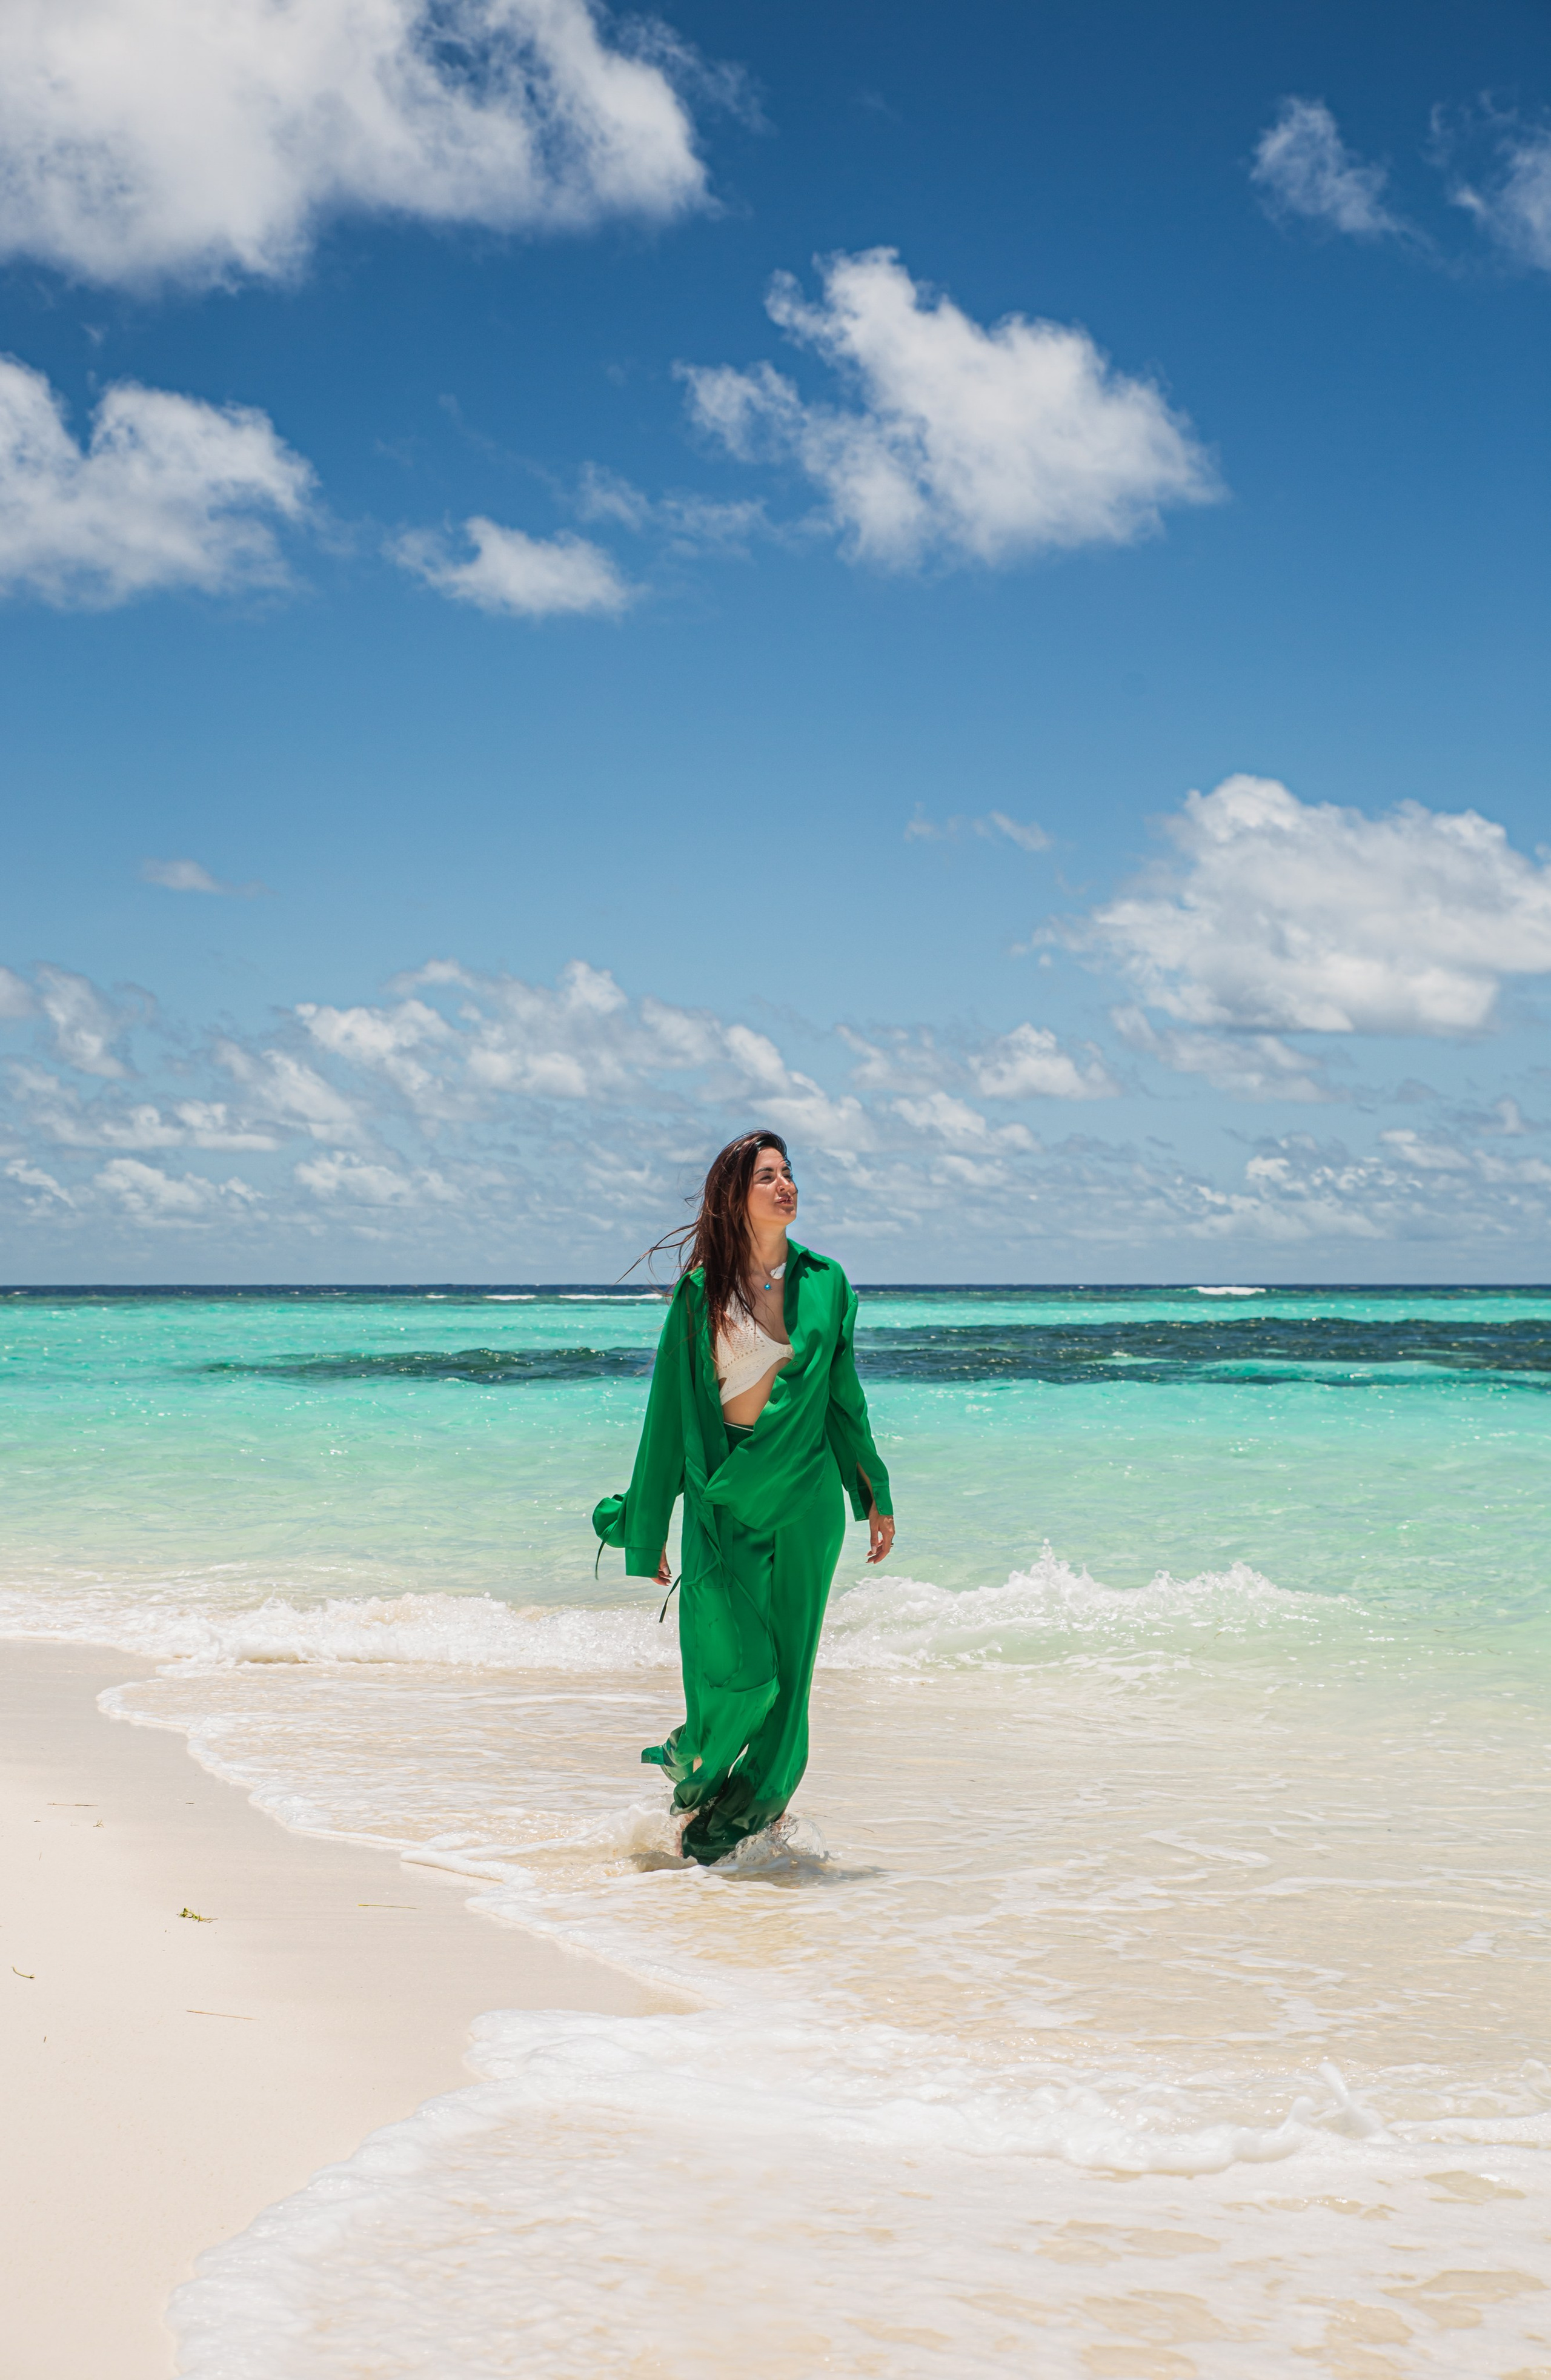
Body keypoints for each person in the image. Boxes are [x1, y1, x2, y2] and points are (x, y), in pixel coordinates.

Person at [593, 1131, 895, 1866]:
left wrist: (874, 1490)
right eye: (768, 1176)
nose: (786, 1185)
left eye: (789, 1174)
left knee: (790, 1681)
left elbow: (843, 1397)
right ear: (735, 1194)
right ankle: (694, 1759)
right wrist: (648, 1519)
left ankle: (726, 1836)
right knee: (743, 1672)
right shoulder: (700, 1293)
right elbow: (667, 1409)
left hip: (809, 1493)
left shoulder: (827, 1280)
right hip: (724, 1494)